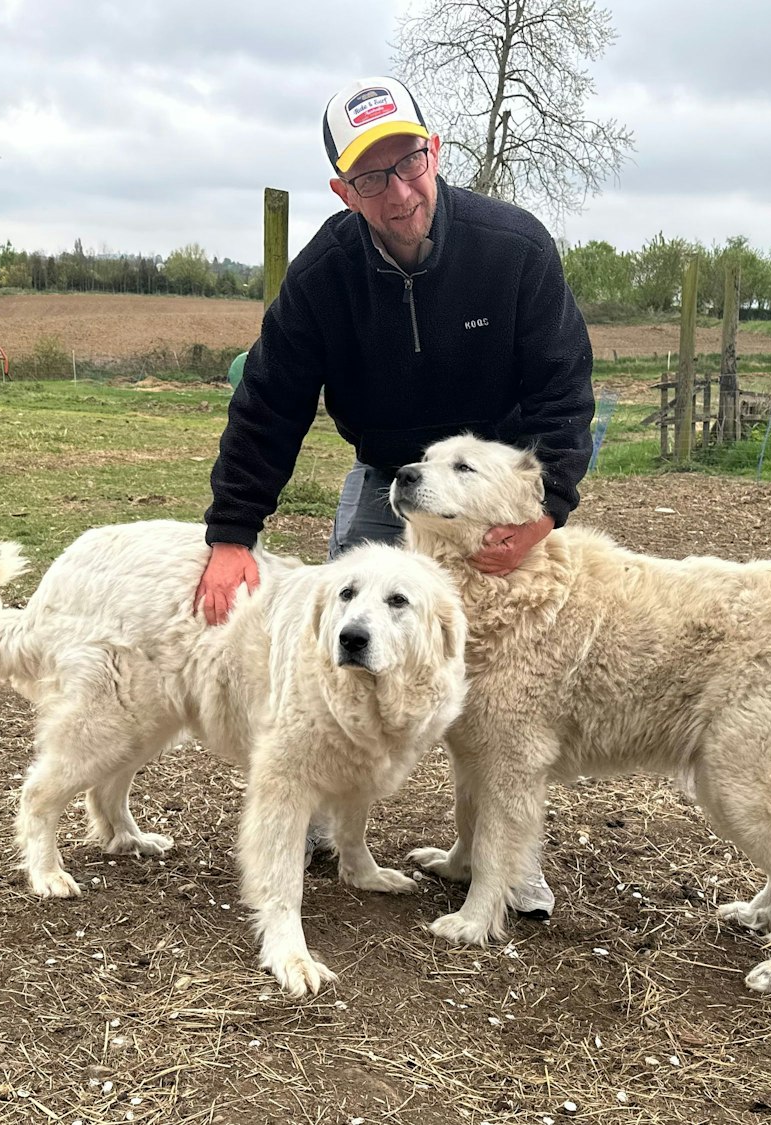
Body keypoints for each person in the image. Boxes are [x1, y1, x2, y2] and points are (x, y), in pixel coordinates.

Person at [194, 76, 594, 916]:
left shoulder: (512, 248)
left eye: (408, 161)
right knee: (344, 640)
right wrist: (233, 532)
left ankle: (506, 859)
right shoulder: (325, 274)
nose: (399, 189)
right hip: (389, 484)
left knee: (502, 682)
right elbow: (270, 399)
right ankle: (308, 806)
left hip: (493, 499)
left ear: (434, 152)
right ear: (343, 190)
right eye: (371, 177)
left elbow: (564, 393)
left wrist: (545, 511)